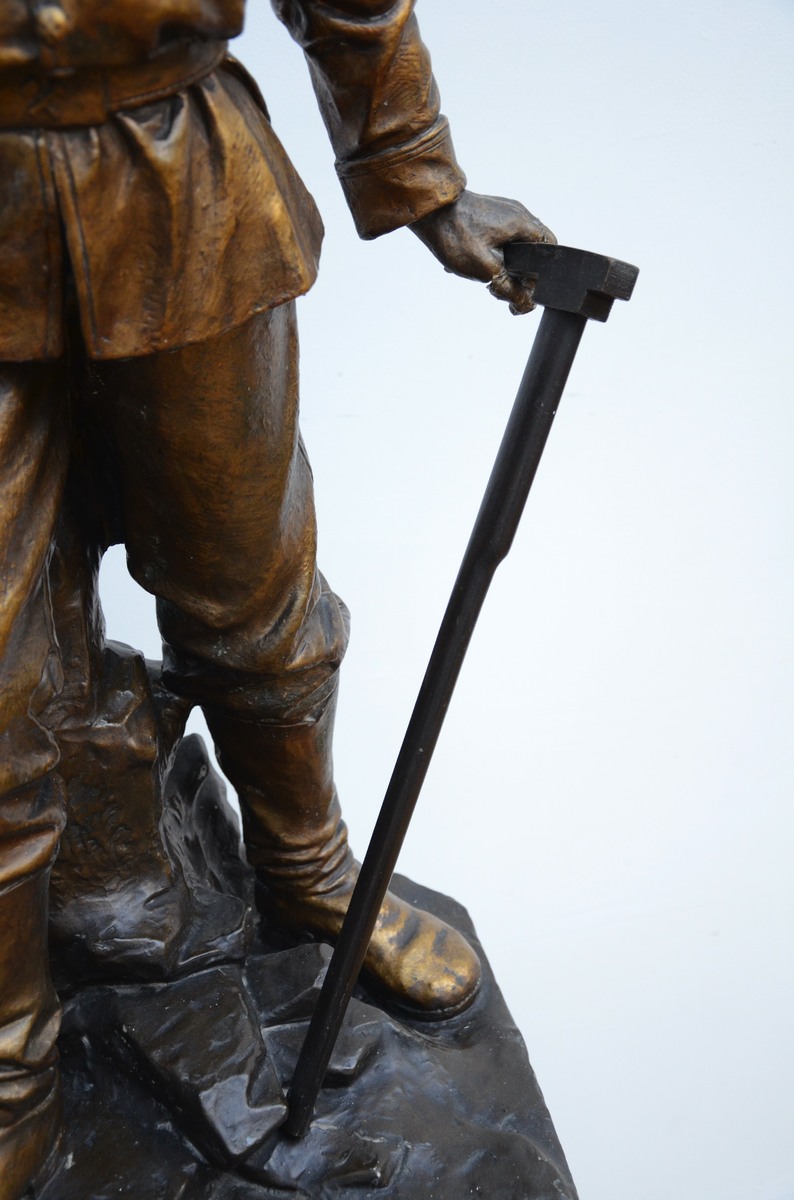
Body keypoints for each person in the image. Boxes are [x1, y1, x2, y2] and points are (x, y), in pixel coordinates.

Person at [0, 2, 555, 1195]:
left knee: (246, 583)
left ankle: (307, 872)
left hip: (177, 190)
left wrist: (419, 177)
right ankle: (10, 1058)